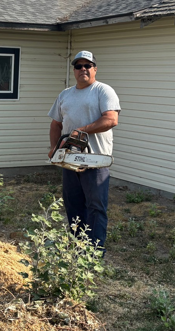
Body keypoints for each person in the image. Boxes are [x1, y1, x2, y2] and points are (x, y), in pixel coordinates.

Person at [48, 50, 121, 250]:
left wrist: (81, 131)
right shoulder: (65, 94)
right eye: (78, 66)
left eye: (87, 66)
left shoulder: (103, 91)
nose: (83, 70)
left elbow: (111, 119)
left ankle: (94, 252)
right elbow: (56, 124)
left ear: (95, 69)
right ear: (74, 70)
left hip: (95, 160)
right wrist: (55, 148)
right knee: (73, 206)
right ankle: (77, 247)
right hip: (70, 160)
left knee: (96, 207)